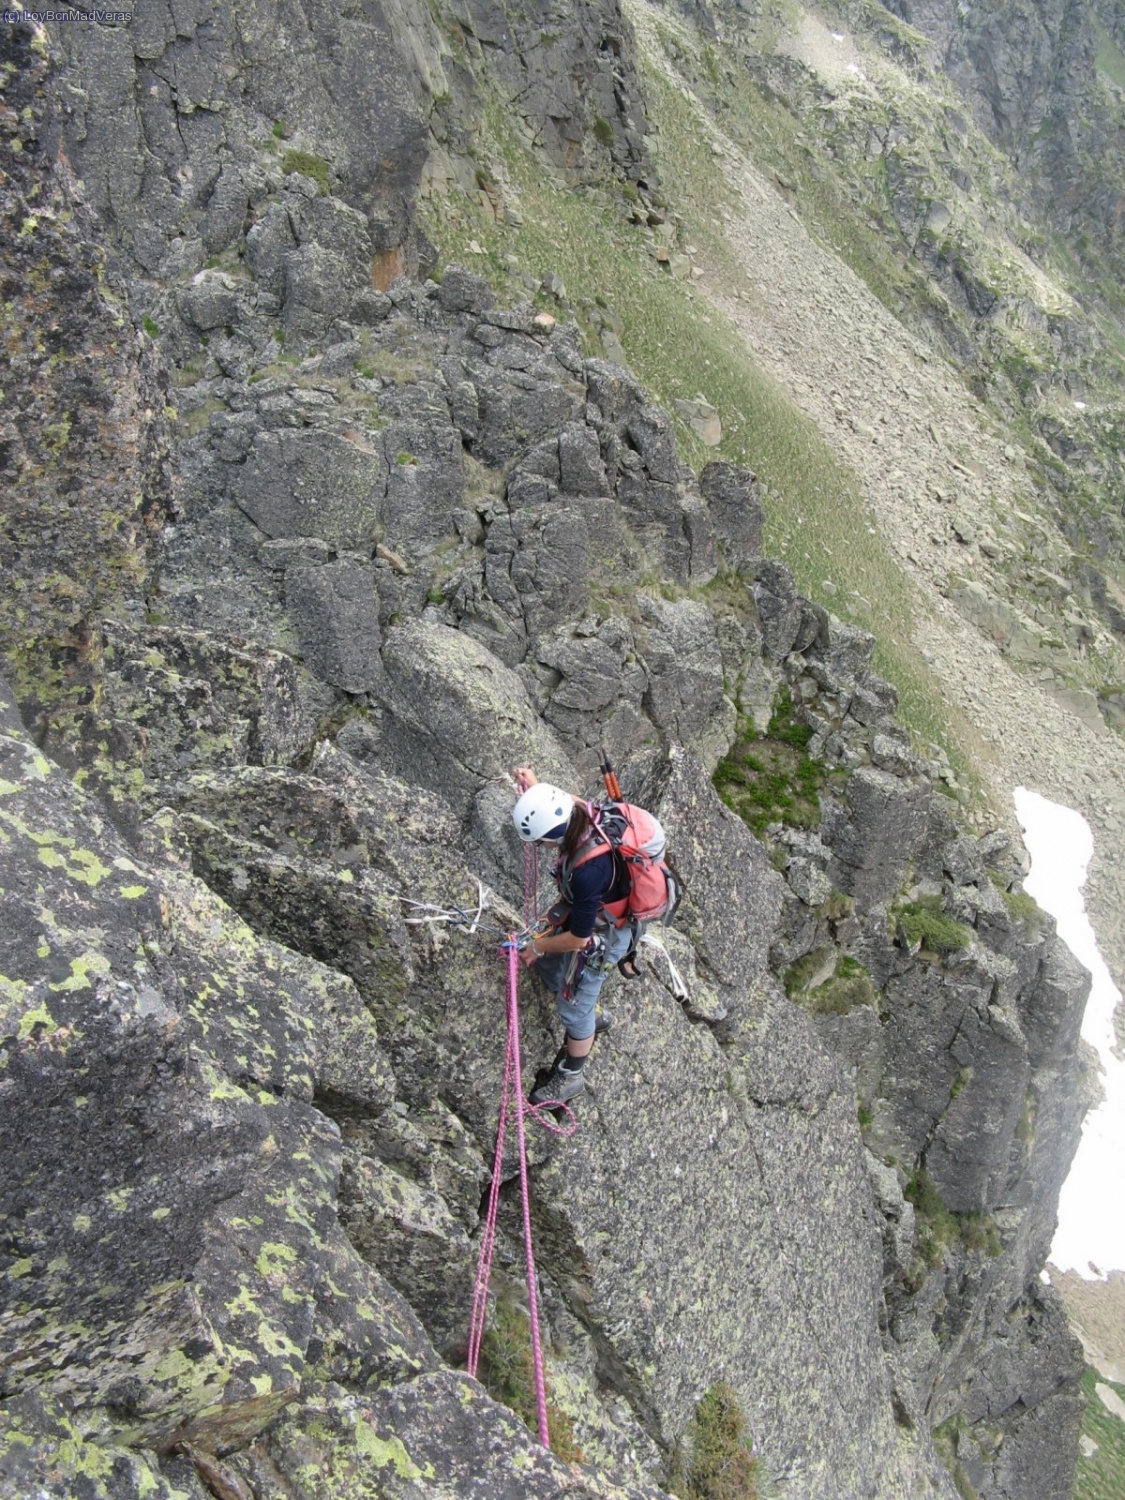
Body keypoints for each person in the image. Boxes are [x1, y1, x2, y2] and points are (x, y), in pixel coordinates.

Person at [511, 766, 636, 1105]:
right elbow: (559, 801)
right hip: (595, 913)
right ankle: (592, 1015)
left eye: (539, 841)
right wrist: (536, 790)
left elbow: (579, 940)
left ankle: (571, 1077)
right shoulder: (578, 811)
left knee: (573, 1007)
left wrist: (537, 946)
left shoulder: (588, 871)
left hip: (606, 933)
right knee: (552, 968)